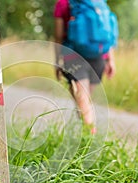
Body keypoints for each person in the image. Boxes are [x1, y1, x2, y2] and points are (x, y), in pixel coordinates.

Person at [54, 0, 116, 134]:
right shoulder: (98, 2)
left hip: (74, 57)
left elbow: (59, 36)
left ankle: (90, 143)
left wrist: (57, 60)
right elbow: (105, 31)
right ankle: (84, 135)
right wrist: (111, 60)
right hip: (99, 58)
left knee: (83, 103)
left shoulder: (63, 3)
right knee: (85, 101)